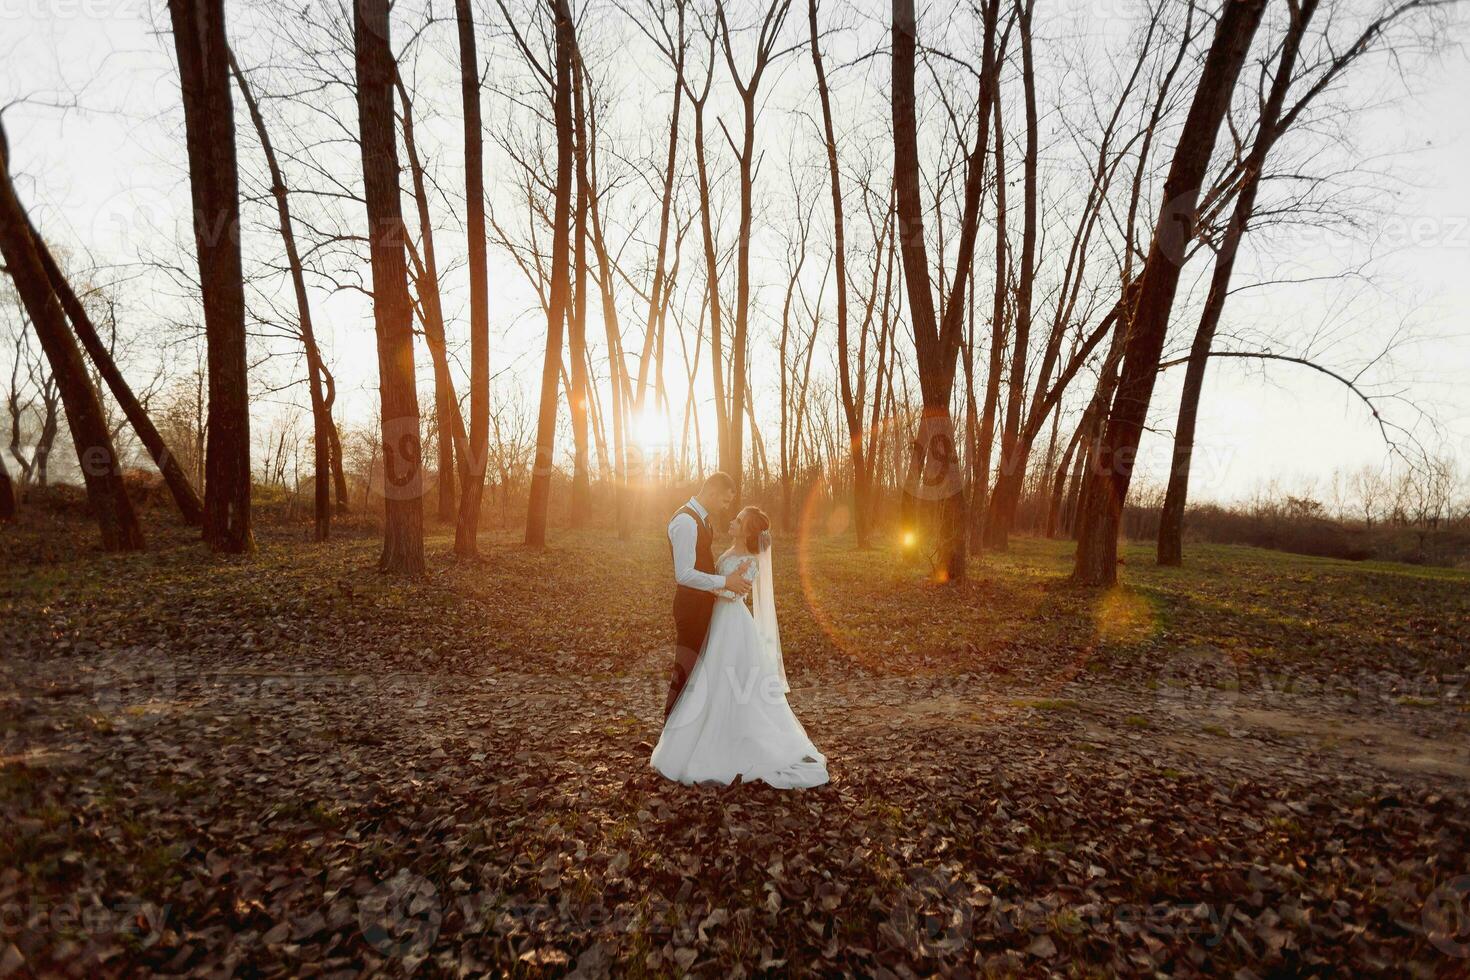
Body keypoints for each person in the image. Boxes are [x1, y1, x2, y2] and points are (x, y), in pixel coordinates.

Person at [652, 504, 828, 789]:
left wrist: (714, 586)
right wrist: (719, 583)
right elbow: (725, 583)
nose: (732, 522)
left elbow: (735, 594)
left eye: (738, 520)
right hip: (717, 620)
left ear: (746, 531)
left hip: (732, 622)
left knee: (730, 679)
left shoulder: (750, 560)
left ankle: (738, 740)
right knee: (712, 677)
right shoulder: (730, 552)